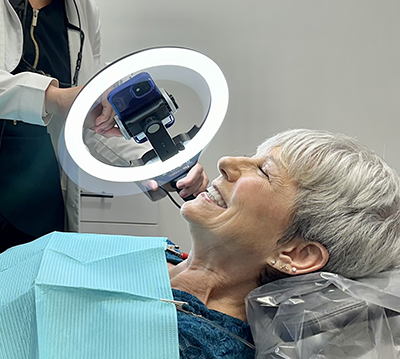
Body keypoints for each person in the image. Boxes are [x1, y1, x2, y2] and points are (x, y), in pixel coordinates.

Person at [0, 0, 208, 252]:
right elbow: (67, 103)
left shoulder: (83, 9)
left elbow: (92, 122)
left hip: (38, 204)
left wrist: (157, 162)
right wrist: (54, 98)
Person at [167, 128, 400, 357]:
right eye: (251, 156)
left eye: (263, 171)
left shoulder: (195, 348)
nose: (226, 162)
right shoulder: (166, 253)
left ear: (298, 254)